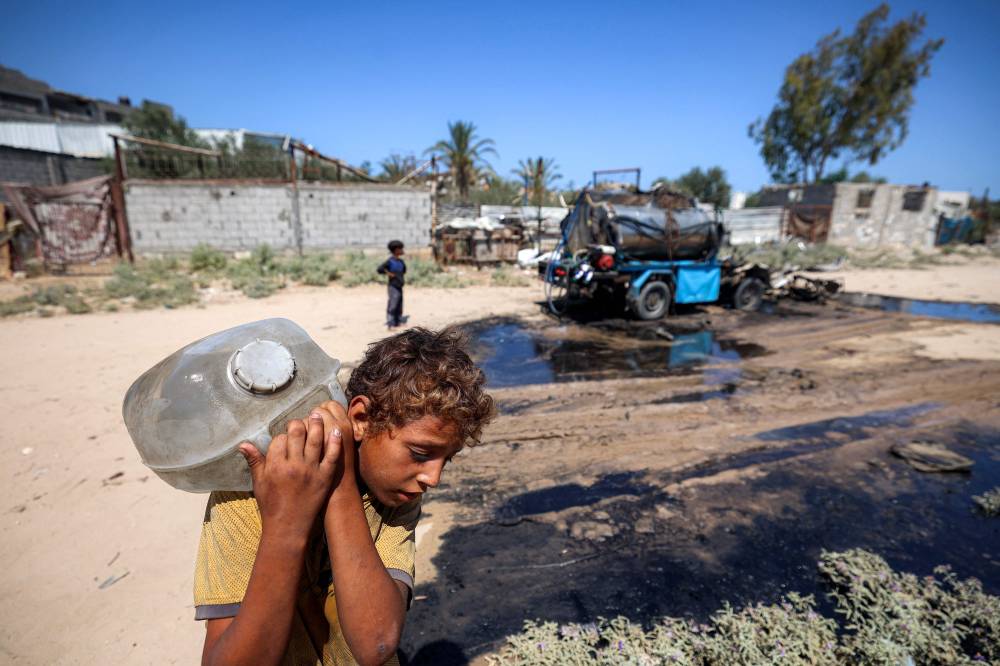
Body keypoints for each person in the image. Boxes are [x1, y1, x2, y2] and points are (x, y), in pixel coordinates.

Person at [194, 327, 494, 665]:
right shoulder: (247, 497)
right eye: (421, 453)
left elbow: (376, 644)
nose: (433, 478)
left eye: (446, 459)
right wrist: (286, 525)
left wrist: (341, 486)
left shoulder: (397, 497)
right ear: (361, 419)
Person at [376, 240, 406, 329]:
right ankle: (390, 323)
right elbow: (380, 269)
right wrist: (388, 273)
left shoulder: (401, 262)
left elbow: (404, 271)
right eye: (401, 249)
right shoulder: (390, 261)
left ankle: (398, 322)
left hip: (400, 286)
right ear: (396, 250)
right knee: (393, 304)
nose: (402, 250)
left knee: (399, 304)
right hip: (393, 286)